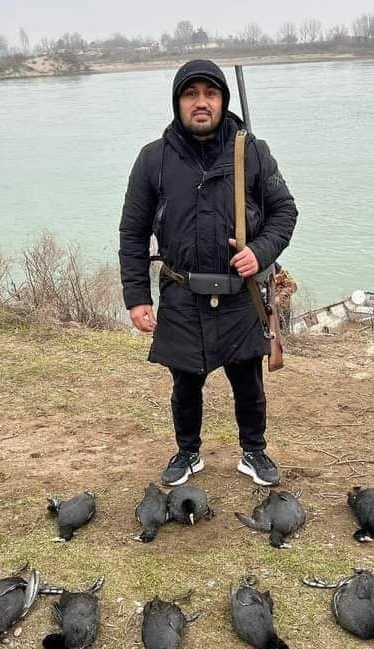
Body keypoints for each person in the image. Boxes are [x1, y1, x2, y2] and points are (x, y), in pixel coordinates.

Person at [119, 59, 297, 488]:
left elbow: (284, 212)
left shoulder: (252, 152)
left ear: (222, 100)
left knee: (249, 383)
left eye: (210, 94)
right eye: (191, 94)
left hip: (240, 295)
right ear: (178, 102)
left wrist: (259, 251)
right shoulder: (153, 159)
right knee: (184, 385)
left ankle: (254, 451)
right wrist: (137, 297)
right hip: (182, 293)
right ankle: (188, 452)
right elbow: (133, 232)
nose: (201, 103)